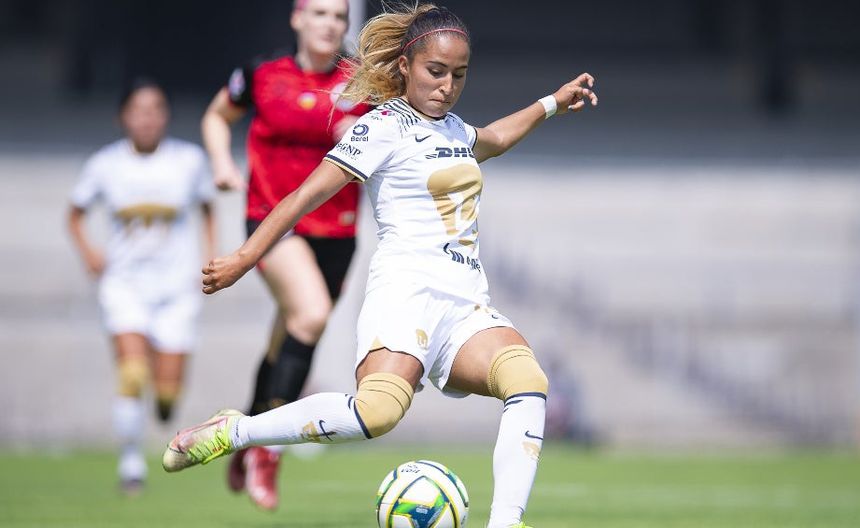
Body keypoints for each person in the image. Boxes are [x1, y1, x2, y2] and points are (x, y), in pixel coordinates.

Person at [163, 4, 597, 527]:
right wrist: (243, 256)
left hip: (464, 306)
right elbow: (303, 196)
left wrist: (552, 102)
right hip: (404, 297)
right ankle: (235, 432)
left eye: (459, 75)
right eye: (436, 71)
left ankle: (505, 522)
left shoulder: (455, 130)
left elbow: (497, 138)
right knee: (378, 413)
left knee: (528, 380)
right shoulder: (382, 128)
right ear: (406, 67)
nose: (447, 86)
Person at [200, 0, 369, 511]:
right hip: (272, 222)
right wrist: (222, 163)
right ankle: (268, 450)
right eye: (319, 14)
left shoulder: (364, 82)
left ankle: (242, 431)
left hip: (338, 231)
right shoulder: (263, 74)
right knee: (311, 314)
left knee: (290, 333)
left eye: (338, 17)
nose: (329, 24)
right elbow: (217, 115)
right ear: (297, 18)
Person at [68, 78, 216, 495]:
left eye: (155, 110)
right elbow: (74, 214)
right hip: (125, 284)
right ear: (124, 117)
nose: (147, 119)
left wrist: (209, 254)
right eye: (139, 110)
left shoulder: (188, 160)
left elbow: (208, 207)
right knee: (132, 374)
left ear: (165, 116)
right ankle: (131, 463)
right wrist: (89, 252)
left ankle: (165, 404)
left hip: (176, 288)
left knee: (166, 397)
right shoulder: (105, 164)